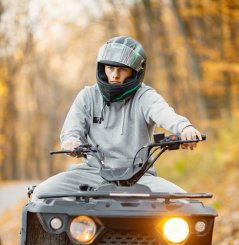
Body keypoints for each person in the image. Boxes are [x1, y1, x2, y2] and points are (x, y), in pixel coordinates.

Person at [32, 36, 202, 201]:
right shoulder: (88, 96)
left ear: (136, 72)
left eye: (122, 69)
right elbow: (71, 131)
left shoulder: (145, 96)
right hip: (92, 173)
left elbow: (164, 113)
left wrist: (184, 128)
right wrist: (71, 142)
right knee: (40, 194)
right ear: (102, 68)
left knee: (185, 203)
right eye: (110, 68)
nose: (114, 75)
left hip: (139, 177)